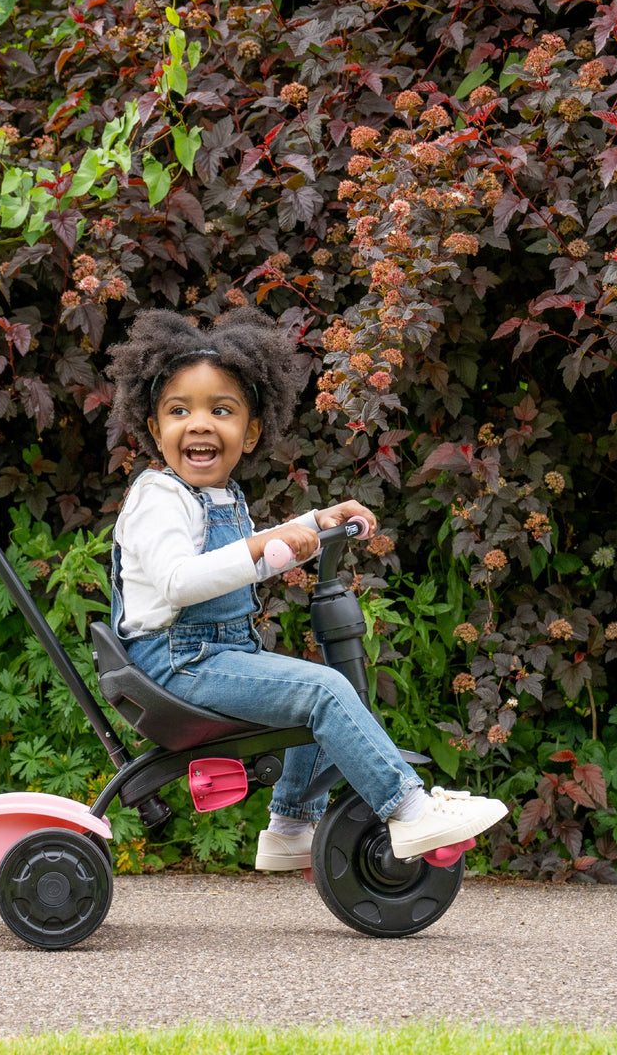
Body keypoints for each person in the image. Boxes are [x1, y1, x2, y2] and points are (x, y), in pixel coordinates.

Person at [105, 307, 506, 871]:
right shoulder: (158, 497)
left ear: (251, 432)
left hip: (208, 655)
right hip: (177, 661)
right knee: (321, 691)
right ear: (154, 430)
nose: (199, 424)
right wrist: (261, 553)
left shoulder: (219, 495)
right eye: (179, 412)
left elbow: (254, 544)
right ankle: (410, 808)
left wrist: (316, 523)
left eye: (221, 411)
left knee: (319, 685)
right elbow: (179, 581)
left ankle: (293, 825)